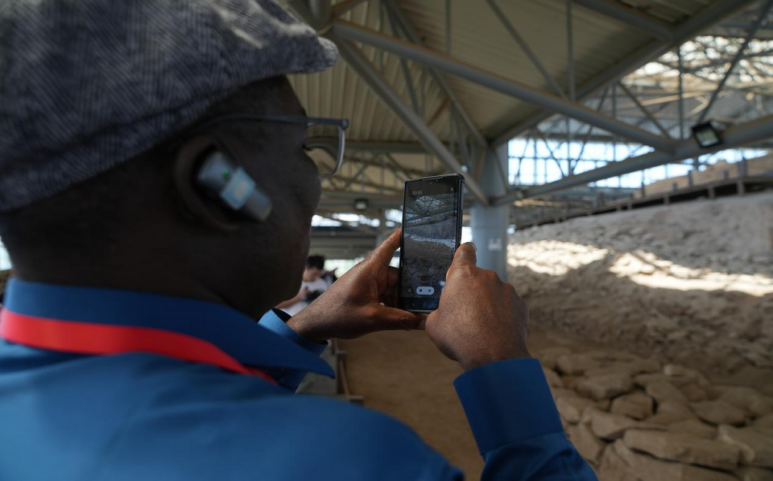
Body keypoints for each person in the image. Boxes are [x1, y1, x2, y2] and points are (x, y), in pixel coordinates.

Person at [0, 1, 596, 480]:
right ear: (215, 185)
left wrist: (299, 328)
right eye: (302, 146)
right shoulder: (351, 461)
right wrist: (501, 365)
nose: (315, 178)